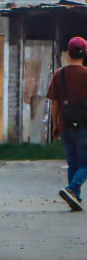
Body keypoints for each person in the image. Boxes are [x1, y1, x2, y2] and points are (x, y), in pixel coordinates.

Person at [47, 37, 87, 211]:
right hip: (84, 125)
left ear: (68, 53)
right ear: (84, 54)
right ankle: (73, 189)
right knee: (85, 163)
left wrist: (55, 124)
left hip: (65, 124)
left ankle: (74, 197)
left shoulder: (59, 74)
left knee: (73, 163)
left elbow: (55, 102)